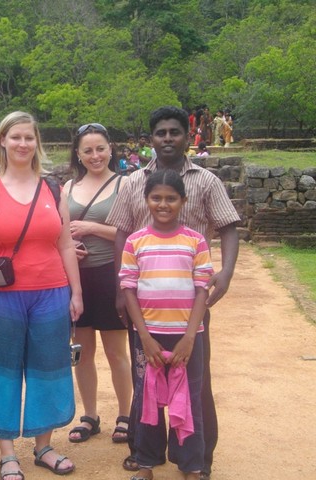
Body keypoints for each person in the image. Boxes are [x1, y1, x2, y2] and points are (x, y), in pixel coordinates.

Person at [107, 106, 240, 480]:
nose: (167, 138)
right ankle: (144, 456)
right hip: (144, 303)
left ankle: (197, 459)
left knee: (194, 382)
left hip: (189, 303)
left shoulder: (205, 181)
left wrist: (226, 273)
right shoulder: (133, 182)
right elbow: (121, 232)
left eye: (174, 132)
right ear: (151, 138)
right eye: (161, 132)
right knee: (146, 381)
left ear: (187, 136)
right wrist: (120, 290)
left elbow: (228, 226)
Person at [0, 111, 83, 480]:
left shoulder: (53, 190)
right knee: (1, 370)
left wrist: (76, 291)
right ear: (2, 140)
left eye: (29, 137)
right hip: (0, 297)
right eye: (15, 137)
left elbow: (65, 244)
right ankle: (7, 454)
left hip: (51, 293)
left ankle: (43, 446)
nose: (22, 144)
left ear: (37, 143)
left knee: (49, 368)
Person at [120, 170, 213, 480]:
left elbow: (202, 289)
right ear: (146, 200)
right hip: (149, 337)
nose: (163, 204)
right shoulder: (135, 242)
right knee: (147, 399)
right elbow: (129, 290)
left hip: (187, 338)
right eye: (156, 198)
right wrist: (144, 337)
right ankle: (146, 463)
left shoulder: (195, 241)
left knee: (190, 401)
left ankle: (191, 466)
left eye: (171, 198)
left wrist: (190, 337)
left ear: (183, 201)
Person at [62, 124, 132, 445]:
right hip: (78, 278)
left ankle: (126, 415)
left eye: (100, 149)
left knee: (117, 352)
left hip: (111, 275)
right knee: (82, 352)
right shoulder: (68, 187)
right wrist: (68, 248)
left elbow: (133, 232)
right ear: (78, 154)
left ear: (110, 149)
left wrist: (91, 228)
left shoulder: (125, 185)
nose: (95, 156)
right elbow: (59, 231)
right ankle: (89, 415)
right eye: (88, 150)